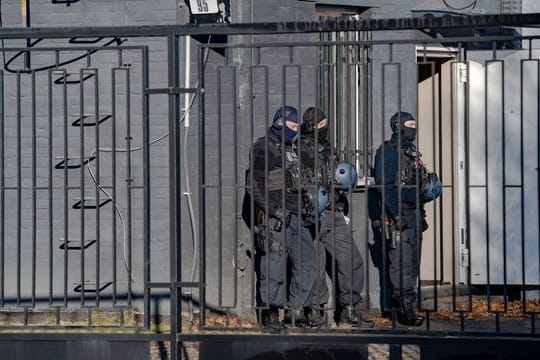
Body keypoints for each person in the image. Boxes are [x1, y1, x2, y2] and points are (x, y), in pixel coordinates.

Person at [295, 106, 374, 328]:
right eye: (321, 125)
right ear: (310, 126)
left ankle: (348, 310)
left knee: (352, 260)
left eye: (326, 124)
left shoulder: (328, 147)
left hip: (334, 212)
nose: (325, 128)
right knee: (316, 265)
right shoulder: (299, 148)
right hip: (312, 213)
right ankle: (317, 312)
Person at [244, 105, 320, 330]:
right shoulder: (264, 149)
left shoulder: (292, 150)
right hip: (276, 218)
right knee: (273, 266)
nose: (295, 130)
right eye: (292, 125)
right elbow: (253, 186)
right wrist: (275, 210)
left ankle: (296, 312)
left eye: (297, 127)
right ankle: (269, 314)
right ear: (280, 122)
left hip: (299, 217)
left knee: (306, 263)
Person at [373, 111, 441, 326]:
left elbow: (418, 184)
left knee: (413, 264)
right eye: (409, 124)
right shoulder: (387, 152)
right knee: (401, 265)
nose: (413, 128)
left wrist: (427, 192)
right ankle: (404, 310)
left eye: (414, 124)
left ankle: (407, 305)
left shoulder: (412, 153)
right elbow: (386, 188)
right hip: (399, 216)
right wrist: (396, 215)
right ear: (398, 126)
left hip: (415, 215)